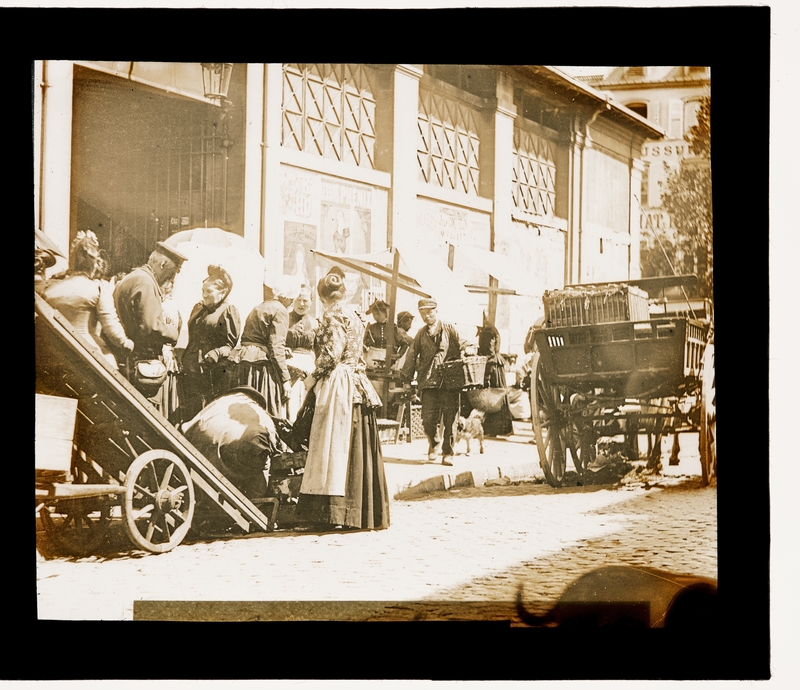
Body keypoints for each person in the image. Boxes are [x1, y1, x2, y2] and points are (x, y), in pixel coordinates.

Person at [295, 266, 390, 531]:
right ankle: (358, 513)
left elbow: (331, 354)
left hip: (339, 384)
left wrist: (312, 377)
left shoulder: (332, 315)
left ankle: (330, 513)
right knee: (354, 447)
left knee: (330, 444)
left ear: (323, 297)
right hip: (357, 382)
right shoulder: (355, 314)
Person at [400, 298, 475, 466]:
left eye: (430, 312)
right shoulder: (420, 334)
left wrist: (468, 348)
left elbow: (465, 342)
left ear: (436, 311)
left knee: (450, 418)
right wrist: (407, 377)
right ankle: (434, 443)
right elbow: (411, 355)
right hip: (428, 381)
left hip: (450, 381)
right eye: (423, 313)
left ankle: (448, 452)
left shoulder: (449, 328)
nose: (427, 316)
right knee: (427, 418)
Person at [43, 230, 134, 368]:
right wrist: (126, 343)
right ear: (94, 263)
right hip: (89, 353)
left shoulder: (51, 290)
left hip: (57, 354)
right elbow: (110, 325)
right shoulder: (97, 288)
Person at [113, 240, 187, 406]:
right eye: (174, 272)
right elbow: (151, 327)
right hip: (140, 365)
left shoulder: (134, 277)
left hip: (130, 361)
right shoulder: (145, 282)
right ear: (162, 264)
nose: (173, 278)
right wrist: (173, 332)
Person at [230, 274, 299, 419]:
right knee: (265, 411)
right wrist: (285, 380)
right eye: (292, 297)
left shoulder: (260, 306)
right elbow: (276, 348)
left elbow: (255, 338)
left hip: (245, 361)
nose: (292, 301)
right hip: (260, 367)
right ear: (287, 296)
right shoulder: (281, 311)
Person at [180, 265, 241, 423]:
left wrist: (217, 353)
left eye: (209, 291)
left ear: (222, 293)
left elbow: (230, 345)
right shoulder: (198, 308)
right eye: (203, 291)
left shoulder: (228, 311)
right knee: (189, 409)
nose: (204, 295)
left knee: (208, 411)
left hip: (213, 371)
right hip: (192, 367)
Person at [474, 321, 514, 437]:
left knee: (493, 397)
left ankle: (493, 429)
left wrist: (487, 374)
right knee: (500, 397)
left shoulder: (487, 331)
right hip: (497, 365)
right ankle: (504, 429)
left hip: (493, 367)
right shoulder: (492, 328)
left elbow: (490, 352)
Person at [285, 286, 319, 420]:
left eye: (305, 300)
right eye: (298, 300)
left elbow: (318, 350)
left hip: (308, 368)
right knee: (290, 402)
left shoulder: (315, 323)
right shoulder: (284, 319)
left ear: (311, 302)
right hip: (288, 365)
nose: (301, 304)